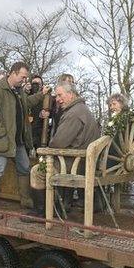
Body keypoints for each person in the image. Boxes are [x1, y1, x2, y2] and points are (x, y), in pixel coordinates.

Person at [0, 61, 50, 219]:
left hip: (17, 141)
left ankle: (25, 199)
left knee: (24, 167)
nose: (24, 80)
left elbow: (28, 103)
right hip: (3, 140)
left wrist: (42, 93)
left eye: (26, 77)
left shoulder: (18, 91)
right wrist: (3, 133)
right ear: (13, 73)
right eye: (22, 77)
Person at [25, 82, 101, 218]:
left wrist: (46, 149)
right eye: (56, 95)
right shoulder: (82, 109)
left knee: (36, 171)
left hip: (75, 164)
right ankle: (57, 208)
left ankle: (41, 212)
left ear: (70, 94)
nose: (57, 99)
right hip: (84, 162)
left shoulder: (74, 114)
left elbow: (58, 142)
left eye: (60, 95)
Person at [28, 75, 46, 149]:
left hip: (40, 134)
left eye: (38, 83)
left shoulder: (46, 98)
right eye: (34, 83)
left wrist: (47, 113)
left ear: (42, 85)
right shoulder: (26, 97)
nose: (36, 85)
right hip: (27, 133)